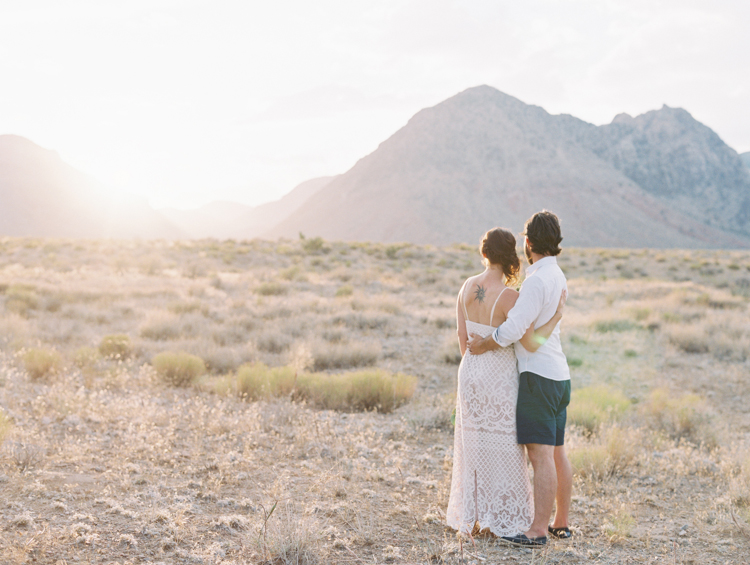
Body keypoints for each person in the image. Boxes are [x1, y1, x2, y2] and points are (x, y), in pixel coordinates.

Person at [446, 227, 566, 539]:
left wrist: (474, 368)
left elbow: (462, 339)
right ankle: (502, 517)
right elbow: (528, 341)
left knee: (473, 447)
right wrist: (555, 318)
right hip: (499, 380)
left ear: (484, 254)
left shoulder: (466, 287)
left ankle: (473, 515)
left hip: (469, 373)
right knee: (506, 450)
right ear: (510, 256)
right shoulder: (509, 296)